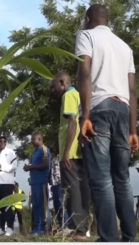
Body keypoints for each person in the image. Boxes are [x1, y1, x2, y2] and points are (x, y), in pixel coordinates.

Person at [76, 4, 138, 242]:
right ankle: (130, 237)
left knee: (101, 178)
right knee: (121, 177)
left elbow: (85, 73)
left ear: (88, 18)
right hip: (123, 111)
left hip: (99, 108)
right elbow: (132, 91)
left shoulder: (86, 35)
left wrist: (86, 115)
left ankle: (109, 239)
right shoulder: (125, 47)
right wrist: (133, 130)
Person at [51, 72, 90, 240]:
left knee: (71, 191)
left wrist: (66, 151)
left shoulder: (68, 95)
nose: (53, 91)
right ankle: (84, 228)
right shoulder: (79, 95)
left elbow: (73, 122)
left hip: (71, 153)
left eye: (54, 87)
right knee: (82, 191)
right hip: (81, 152)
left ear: (62, 82)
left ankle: (78, 230)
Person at [23, 132, 51, 235]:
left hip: (41, 182)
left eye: (33, 139)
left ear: (40, 139)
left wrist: (31, 167)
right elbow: (36, 165)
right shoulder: (35, 151)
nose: (32, 141)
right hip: (34, 182)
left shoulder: (44, 150)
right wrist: (29, 167)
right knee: (36, 205)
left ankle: (43, 228)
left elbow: (46, 164)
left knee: (42, 205)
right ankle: (36, 227)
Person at [49, 139, 71, 235]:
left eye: (57, 146)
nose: (55, 148)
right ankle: (61, 226)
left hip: (61, 184)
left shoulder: (64, 158)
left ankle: (66, 226)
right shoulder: (54, 159)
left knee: (62, 206)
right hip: (54, 185)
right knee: (56, 206)